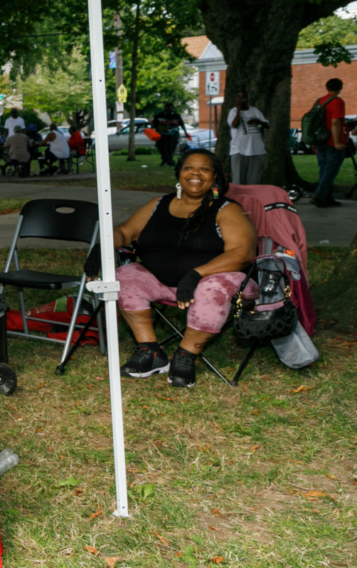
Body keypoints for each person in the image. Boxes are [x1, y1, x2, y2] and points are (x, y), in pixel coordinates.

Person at [110, 151, 257, 388]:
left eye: (204, 169)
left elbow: (242, 253)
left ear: (215, 177)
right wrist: (103, 245)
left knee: (212, 288)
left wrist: (196, 274)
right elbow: (124, 232)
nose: (195, 173)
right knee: (123, 276)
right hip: (162, 281)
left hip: (219, 282)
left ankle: (186, 354)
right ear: (179, 173)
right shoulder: (158, 204)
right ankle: (150, 351)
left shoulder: (227, 209)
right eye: (189, 168)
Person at [309, 78, 346, 208]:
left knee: (324, 169)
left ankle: (327, 198)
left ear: (327, 87)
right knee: (331, 170)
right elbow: (335, 122)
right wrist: (337, 142)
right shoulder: (337, 101)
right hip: (332, 141)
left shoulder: (319, 101)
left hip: (320, 139)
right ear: (340, 88)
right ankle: (319, 196)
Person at [226, 89, 269, 185]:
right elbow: (234, 125)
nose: (241, 100)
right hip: (238, 150)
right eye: (239, 97)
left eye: (244, 97)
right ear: (236, 99)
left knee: (254, 182)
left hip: (256, 150)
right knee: (238, 181)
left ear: (247, 98)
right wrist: (238, 110)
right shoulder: (233, 111)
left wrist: (258, 121)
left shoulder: (254, 111)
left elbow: (267, 125)